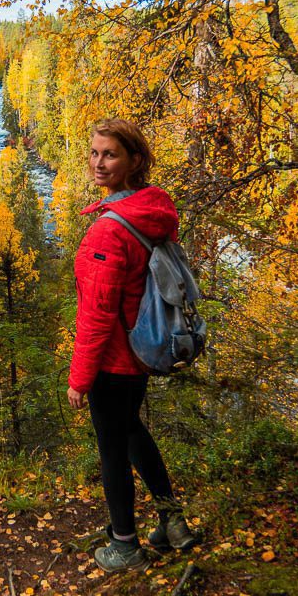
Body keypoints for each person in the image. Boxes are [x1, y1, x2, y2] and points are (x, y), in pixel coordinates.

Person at [67, 118, 199, 572]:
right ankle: (172, 521)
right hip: (143, 350)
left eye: (110, 154)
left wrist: (80, 379)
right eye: (94, 152)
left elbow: (97, 313)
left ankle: (125, 543)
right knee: (132, 432)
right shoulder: (150, 209)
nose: (98, 163)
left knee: (113, 449)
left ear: (134, 161)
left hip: (116, 359)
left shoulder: (109, 230)